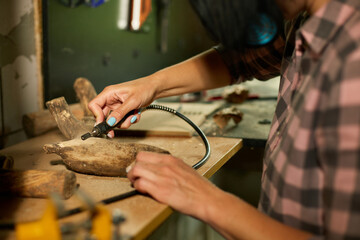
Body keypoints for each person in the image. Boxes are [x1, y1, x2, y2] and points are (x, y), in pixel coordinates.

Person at [88, 0, 360, 239]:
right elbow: (241, 61)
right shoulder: (307, 19)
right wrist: (150, 86)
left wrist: (203, 198)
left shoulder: (351, 62)